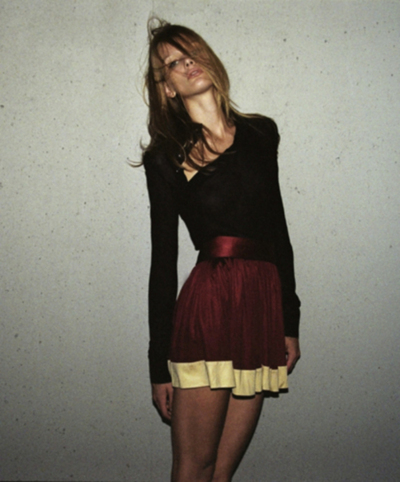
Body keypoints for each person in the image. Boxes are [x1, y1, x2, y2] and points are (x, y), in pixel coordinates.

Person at [140, 19, 301, 482]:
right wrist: (158, 364)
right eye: (173, 63)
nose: (187, 63)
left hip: (259, 307)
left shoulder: (261, 134)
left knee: (221, 474)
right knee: (195, 468)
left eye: (191, 52)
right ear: (167, 87)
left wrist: (289, 320)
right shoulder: (164, 157)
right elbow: (162, 261)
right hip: (209, 306)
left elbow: (278, 232)